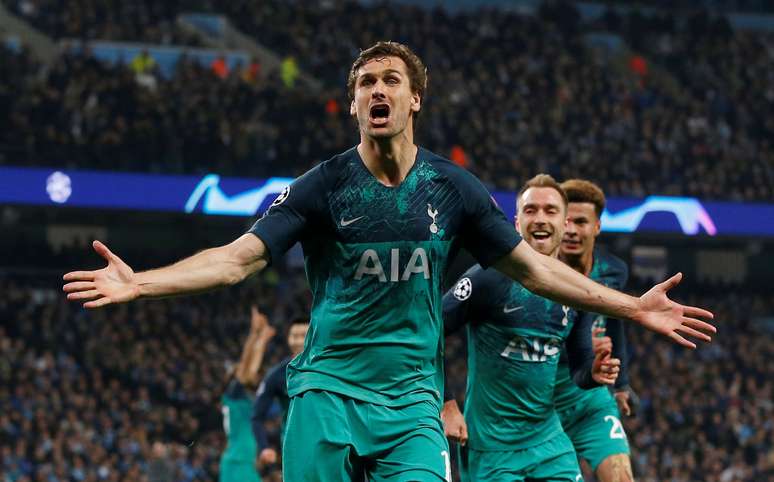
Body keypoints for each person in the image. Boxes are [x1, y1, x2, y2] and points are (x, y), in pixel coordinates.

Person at [63, 41, 714, 482]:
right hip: (327, 392)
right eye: (365, 83)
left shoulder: (454, 189)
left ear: (414, 100)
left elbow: (536, 269)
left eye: (390, 81)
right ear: (354, 105)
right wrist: (140, 283)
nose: (378, 90)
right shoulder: (323, 185)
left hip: (411, 404)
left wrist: (632, 306)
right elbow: (238, 261)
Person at [440, 174, 620, 481]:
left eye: (550, 211)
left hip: (548, 442)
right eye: (530, 210)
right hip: (491, 449)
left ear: (565, 224)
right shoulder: (485, 279)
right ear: (516, 222)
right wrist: (445, 403)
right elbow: (430, 332)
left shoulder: (576, 289)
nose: (540, 219)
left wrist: (593, 373)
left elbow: (578, 367)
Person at [555, 179, 636, 482]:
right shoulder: (535, 273)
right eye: (566, 221)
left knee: (620, 476)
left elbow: (616, 326)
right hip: (541, 405)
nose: (572, 230)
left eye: (581, 222)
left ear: (598, 227)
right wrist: (577, 346)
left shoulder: (613, 272)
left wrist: (623, 384)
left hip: (591, 402)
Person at [220, 306, 276, 482]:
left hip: (241, 463)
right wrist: (258, 338)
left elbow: (247, 370)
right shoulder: (235, 397)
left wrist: (258, 336)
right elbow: (247, 369)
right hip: (238, 463)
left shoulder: (238, 399)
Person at [251, 317, 309, 470]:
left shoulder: (329, 367)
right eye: (294, 336)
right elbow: (257, 416)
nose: (297, 341)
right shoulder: (277, 375)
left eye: (303, 335)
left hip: (329, 441)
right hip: (294, 446)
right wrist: (264, 447)